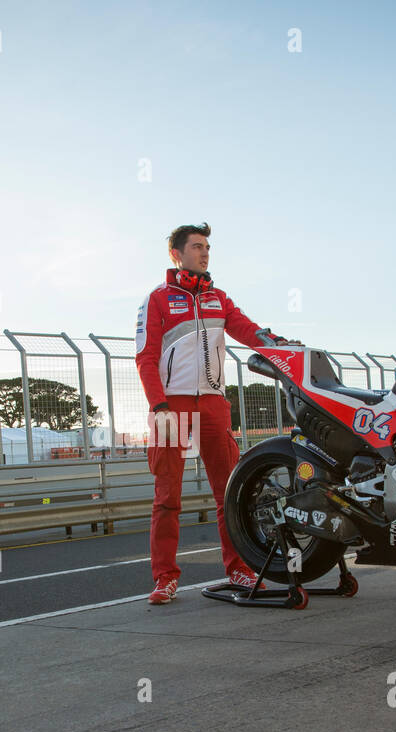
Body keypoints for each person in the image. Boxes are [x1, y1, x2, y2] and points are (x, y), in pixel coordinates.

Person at [135, 222, 296, 604]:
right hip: (170, 405)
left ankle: (239, 569)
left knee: (230, 492)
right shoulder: (157, 298)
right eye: (196, 247)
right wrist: (158, 405)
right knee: (167, 496)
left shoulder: (219, 297)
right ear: (176, 254)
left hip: (212, 404)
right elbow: (145, 357)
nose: (204, 253)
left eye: (207, 247)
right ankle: (165, 578)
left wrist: (277, 345)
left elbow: (248, 330)